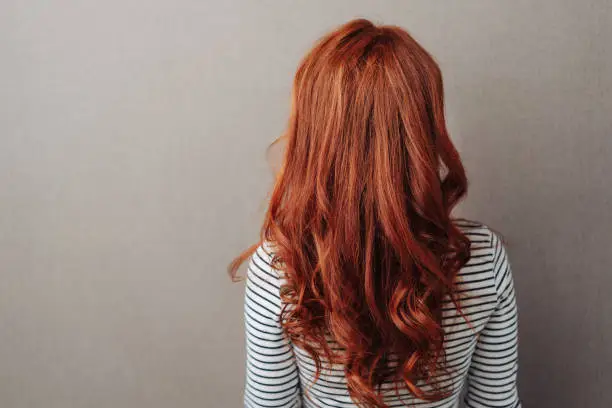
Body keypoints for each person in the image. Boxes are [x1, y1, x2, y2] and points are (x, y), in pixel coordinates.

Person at [230, 18, 520, 408]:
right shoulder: (482, 260)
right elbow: (496, 403)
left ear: (313, 136)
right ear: (422, 130)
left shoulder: (279, 268)